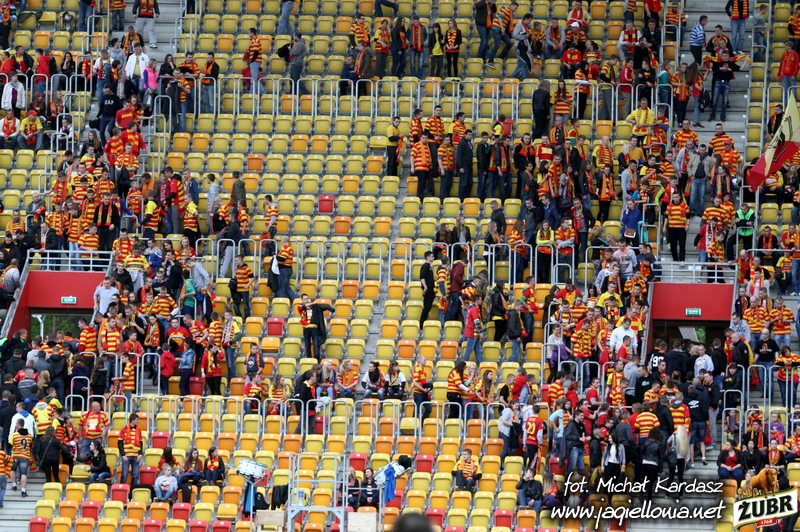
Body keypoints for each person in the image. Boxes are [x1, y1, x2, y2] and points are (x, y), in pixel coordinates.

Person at [118, 413, 143, 485]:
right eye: (137, 420)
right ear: (132, 421)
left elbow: (141, 443)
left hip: (136, 456)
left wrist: (140, 454)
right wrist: (123, 455)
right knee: (124, 475)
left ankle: (133, 490)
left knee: (135, 475)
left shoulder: (139, 430)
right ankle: (122, 489)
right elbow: (120, 443)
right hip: (127, 456)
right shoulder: (123, 430)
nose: (138, 421)